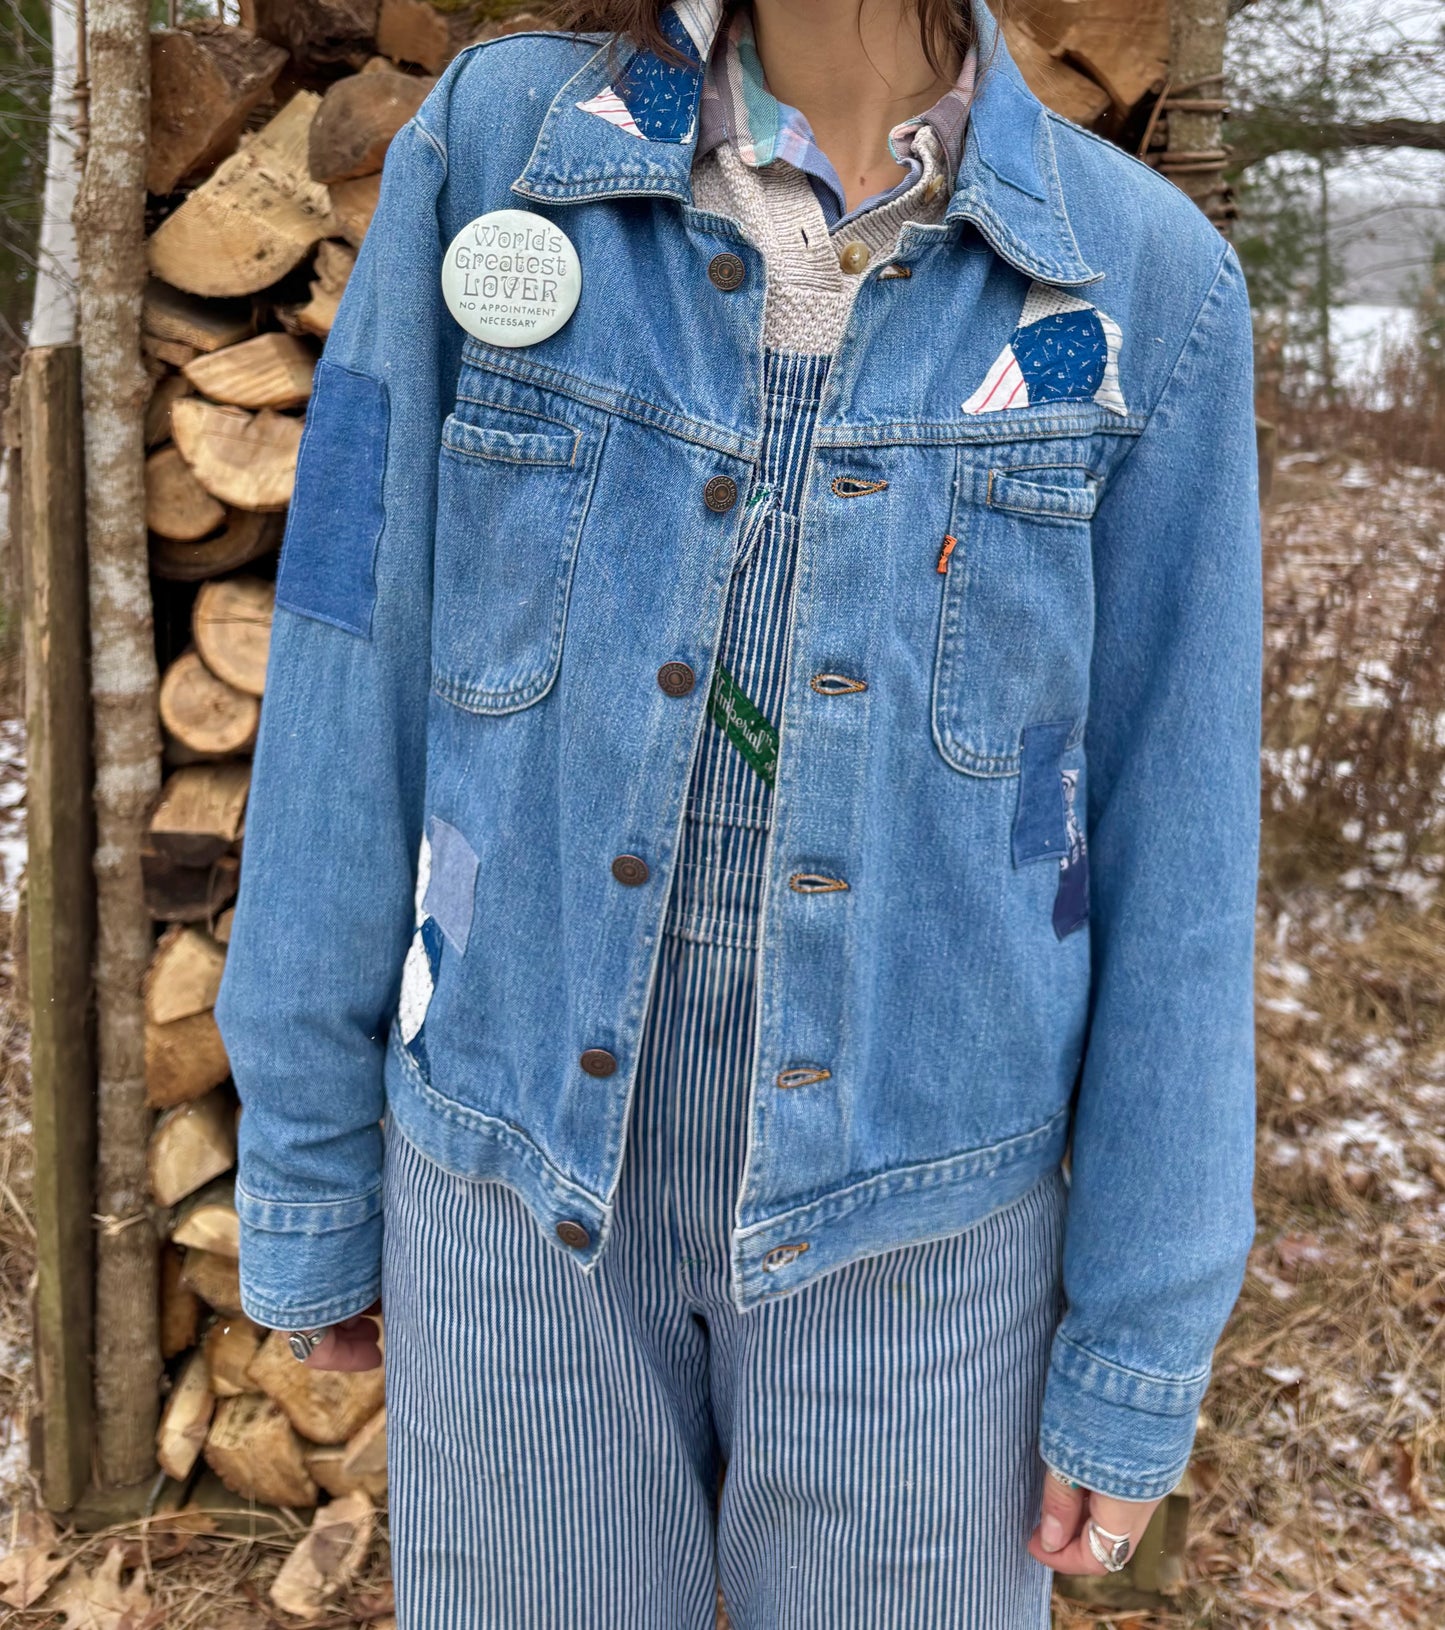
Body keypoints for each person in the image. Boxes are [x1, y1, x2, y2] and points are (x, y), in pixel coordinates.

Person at [213, 0, 1262, 1622]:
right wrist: (304, 1149)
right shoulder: (503, 159)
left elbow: (1176, 856)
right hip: (510, 1193)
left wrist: (1137, 1331)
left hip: (928, 1235)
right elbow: (351, 642)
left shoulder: (1139, 285)